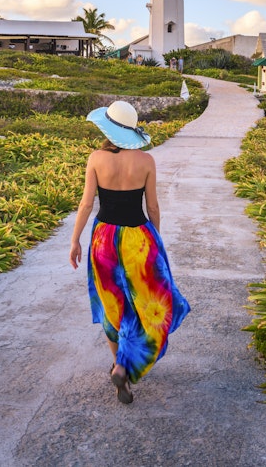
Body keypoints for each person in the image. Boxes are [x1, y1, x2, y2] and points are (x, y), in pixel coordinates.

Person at [69, 100, 190, 404]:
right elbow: (152, 207)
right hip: (138, 238)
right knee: (146, 302)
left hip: (104, 240)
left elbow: (86, 204)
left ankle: (119, 365)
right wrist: (156, 240)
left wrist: (75, 241)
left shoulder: (96, 158)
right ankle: (126, 364)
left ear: (107, 128)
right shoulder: (146, 161)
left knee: (112, 304)